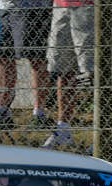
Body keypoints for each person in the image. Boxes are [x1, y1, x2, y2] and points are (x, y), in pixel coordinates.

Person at [42, 0, 94, 149]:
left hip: (87, 7)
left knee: (89, 70)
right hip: (60, 6)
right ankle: (63, 130)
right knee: (62, 70)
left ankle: (98, 136)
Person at [0, 0, 52, 130]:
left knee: (36, 59)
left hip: (32, 9)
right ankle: (2, 110)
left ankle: (39, 114)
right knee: (3, 58)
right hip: (3, 8)